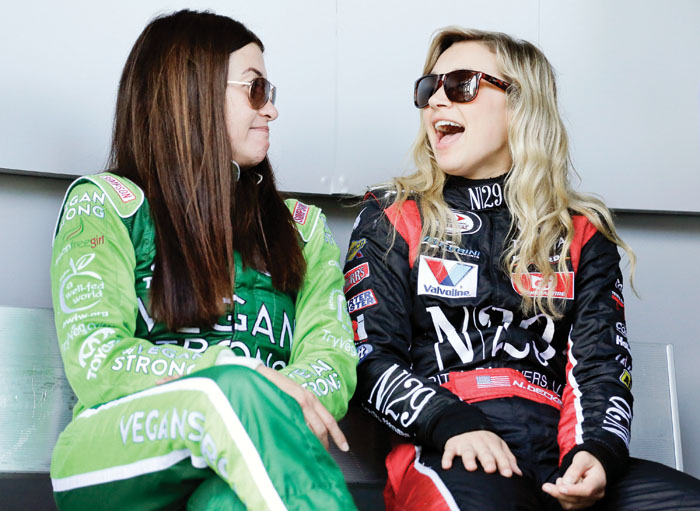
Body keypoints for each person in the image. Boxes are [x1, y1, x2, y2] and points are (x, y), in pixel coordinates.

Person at [343, 26, 700, 510]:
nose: (436, 101)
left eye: (462, 85)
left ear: (520, 103)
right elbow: (369, 358)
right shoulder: (393, 216)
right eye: (429, 88)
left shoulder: (580, 231)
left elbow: (600, 366)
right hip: (451, 444)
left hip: (561, 453)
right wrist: (452, 423)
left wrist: (595, 453)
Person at [49, 10, 358, 511]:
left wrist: (267, 404)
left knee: (234, 497)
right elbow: (97, 358)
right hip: (113, 457)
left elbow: (332, 360)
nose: (272, 109)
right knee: (231, 393)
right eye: (255, 90)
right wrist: (240, 376)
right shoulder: (107, 204)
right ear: (191, 94)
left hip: (251, 452)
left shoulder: (301, 229)